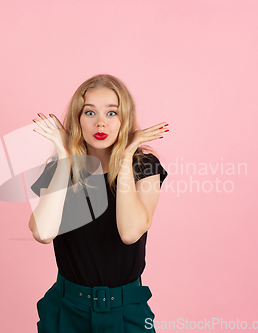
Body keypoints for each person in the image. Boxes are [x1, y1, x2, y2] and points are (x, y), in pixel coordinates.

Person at [28, 74, 169, 332]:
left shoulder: (145, 167)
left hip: (127, 311)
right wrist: (65, 158)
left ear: (124, 119)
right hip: (66, 309)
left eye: (112, 113)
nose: (100, 123)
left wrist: (126, 158)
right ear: (77, 119)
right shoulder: (59, 170)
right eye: (89, 112)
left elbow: (129, 233)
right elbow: (42, 233)